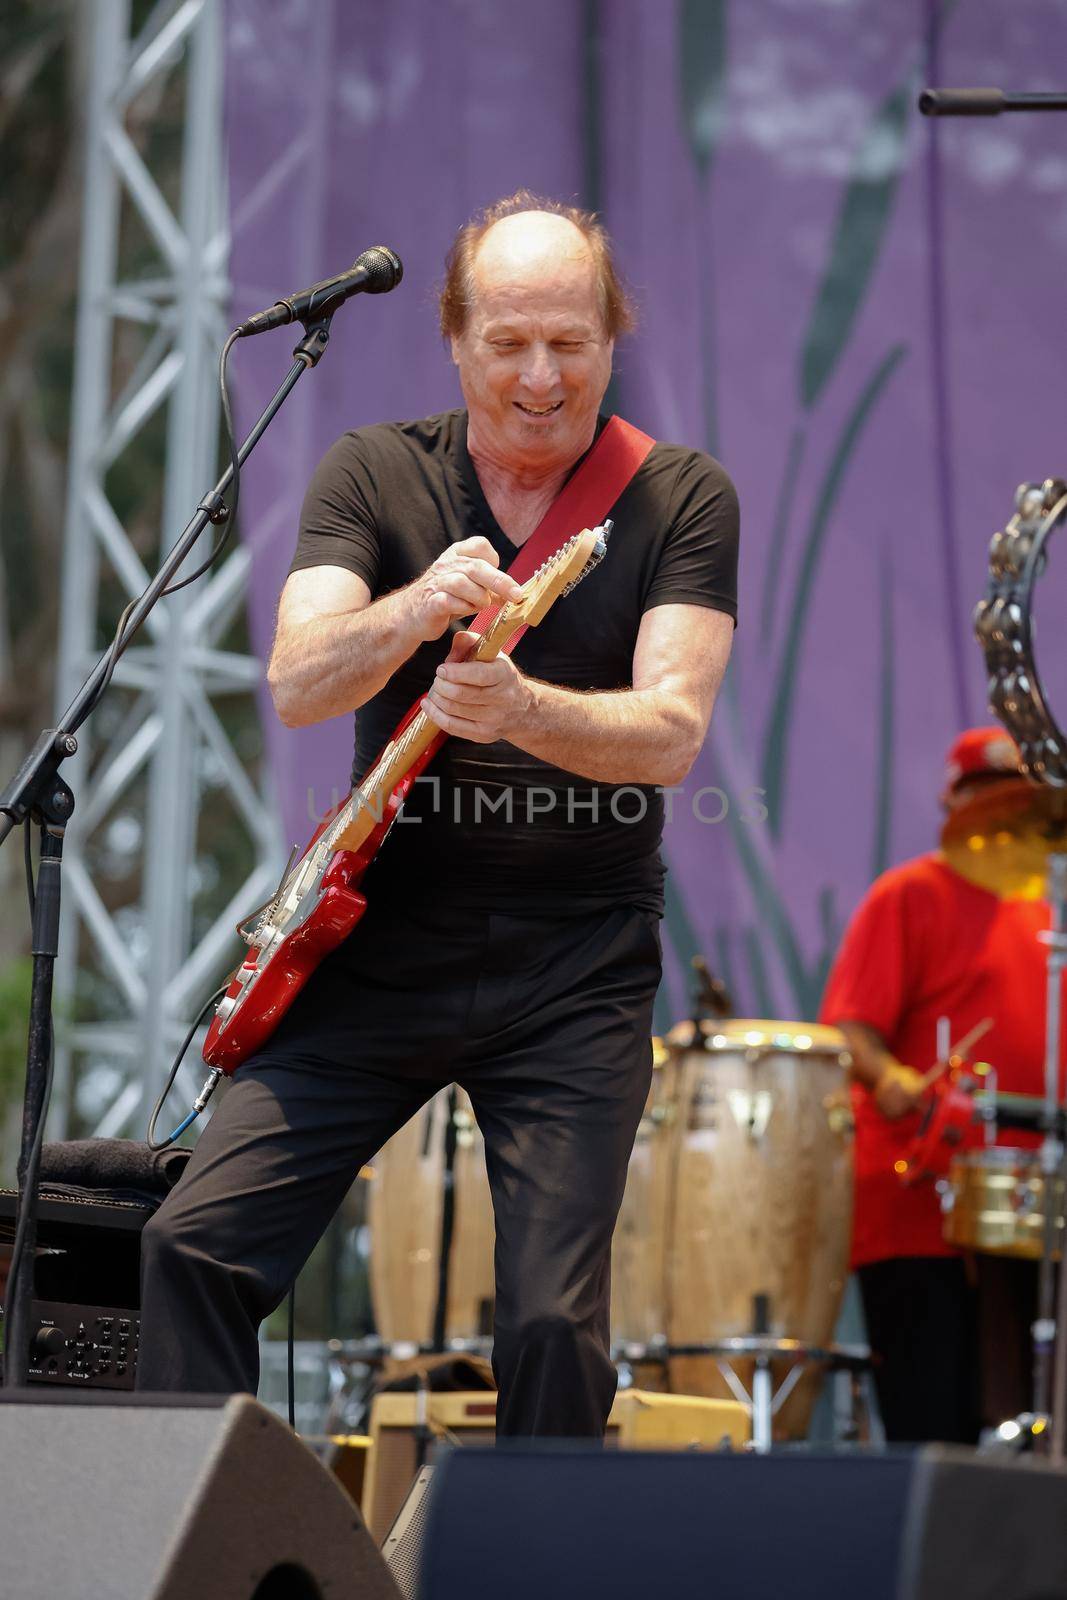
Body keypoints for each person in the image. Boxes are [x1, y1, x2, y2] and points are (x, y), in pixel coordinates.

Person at [136, 191, 739, 1436]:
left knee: (548, 1328)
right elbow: (300, 681)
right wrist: (412, 609)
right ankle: (195, 1558)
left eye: (568, 343)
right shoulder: (375, 469)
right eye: (507, 341)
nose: (537, 375)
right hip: (376, 946)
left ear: (611, 341)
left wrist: (516, 706)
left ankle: (536, 1567)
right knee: (188, 1246)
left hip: (573, 964)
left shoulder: (679, 495)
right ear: (455, 339)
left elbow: (671, 733)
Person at [819, 727, 1059, 1443]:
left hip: (1029, 1206)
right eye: (983, 796)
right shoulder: (910, 894)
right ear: (951, 802)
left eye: (1013, 797)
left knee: (1022, 1411)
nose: (999, 811)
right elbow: (850, 1030)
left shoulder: (1046, 912)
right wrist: (891, 1077)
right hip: (922, 1194)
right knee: (934, 1414)